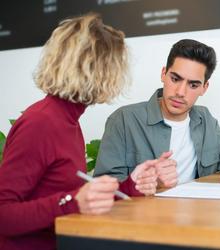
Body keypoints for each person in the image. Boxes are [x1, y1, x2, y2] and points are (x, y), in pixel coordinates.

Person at [0, 13, 157, 250]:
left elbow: (76, 198)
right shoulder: (41, 123)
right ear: (100, 71)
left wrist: (129, 186)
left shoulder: (68, 119)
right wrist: (69, 201)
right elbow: (4, 215)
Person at [94, 39, 220, 188]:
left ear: (204, 88)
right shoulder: (123, 120)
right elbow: (104, 185)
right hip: (144, 219)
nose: (181, 92)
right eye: (175, 79)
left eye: (193, 85)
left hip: (196, 216)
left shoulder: (205, 119)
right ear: (163, 74)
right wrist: (148, 182)